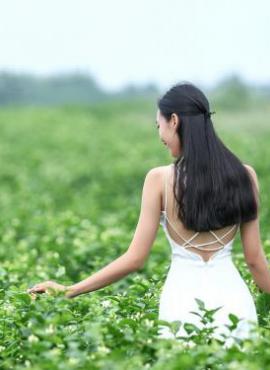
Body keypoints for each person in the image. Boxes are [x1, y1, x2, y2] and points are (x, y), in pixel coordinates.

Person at [27, 82, 270, 346]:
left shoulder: (160, 179)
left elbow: (135, 259)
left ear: (174, 121)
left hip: (181, 303)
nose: (160, 136)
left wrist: (69, 290)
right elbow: (256, 262)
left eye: (159, 126)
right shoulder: (245, 175)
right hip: (234, 301)